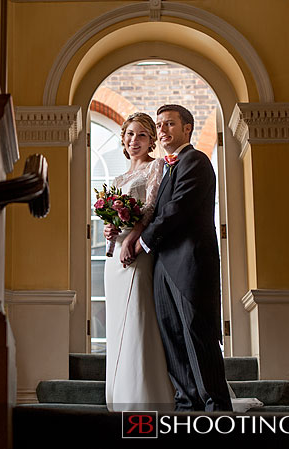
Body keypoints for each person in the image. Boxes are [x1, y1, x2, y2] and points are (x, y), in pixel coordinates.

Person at [134, 104, 233, 412]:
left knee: (197, 339)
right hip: (164, 266)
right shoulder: (168, 168)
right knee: (173, 340)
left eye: (169, 124)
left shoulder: (196, 161)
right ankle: (187, 406)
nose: (162, 130)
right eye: (160, 125)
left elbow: (177, 209)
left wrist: (141, 241)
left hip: (191, 265)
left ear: (187, 128)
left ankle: (216, 410)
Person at [102, 112, 175, 412]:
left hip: (137, 253)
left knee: (138, 317)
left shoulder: (155, 167)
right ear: (123, 138)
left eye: (142, 135)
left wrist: (132, 239)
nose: (134, 140)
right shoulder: (118, 178)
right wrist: (110, 232)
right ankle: (119, 393)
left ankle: (145, 395)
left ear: (151, 141)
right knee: (118, 322)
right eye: (130, 134)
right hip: (114, 261)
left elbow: (151, 208)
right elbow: (112, 220)